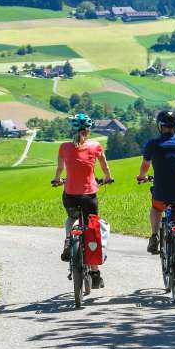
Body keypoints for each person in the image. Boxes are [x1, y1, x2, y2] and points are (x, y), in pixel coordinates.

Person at [136, 109, 175, 287]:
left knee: (156, 208)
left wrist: (141, 177)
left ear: (160, 126)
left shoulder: (152, 144)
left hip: (162, 193)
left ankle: (154, 236)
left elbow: (145, 166)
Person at [51, 113, 113, 288]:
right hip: (89, 196)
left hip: (70, 195)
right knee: (92, 228)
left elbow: (60, 168)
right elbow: (104, 166)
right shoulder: (95, 146)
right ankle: (95, 273)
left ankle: (68, 240)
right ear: (88, 130)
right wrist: (108, 178)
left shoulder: (64, 147)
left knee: (72, 218)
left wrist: (57, 180)